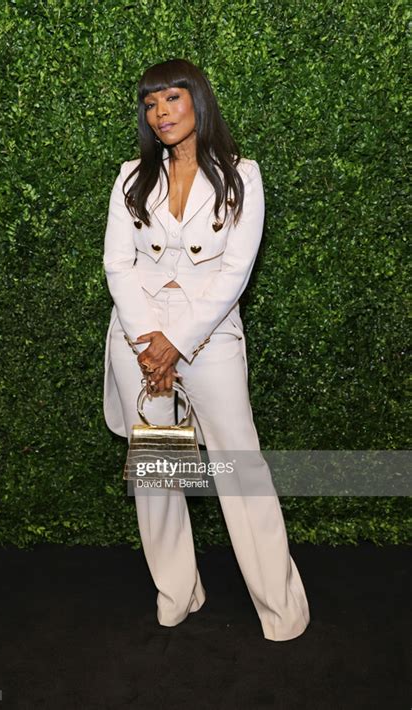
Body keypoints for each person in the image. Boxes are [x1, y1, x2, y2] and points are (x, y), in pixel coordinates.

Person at [103, 58, 310, 641]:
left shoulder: (243, 176)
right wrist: (149, 339)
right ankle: (176, 592)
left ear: (198, 101)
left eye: (171, 98)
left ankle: (281, 609)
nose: (161, 112)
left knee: (241, 467)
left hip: (207, 335)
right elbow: (117, 262)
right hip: (137, 338)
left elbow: (235, 271)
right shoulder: (129, 177)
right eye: (150, 103)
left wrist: (178, 342)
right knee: (157, 471)